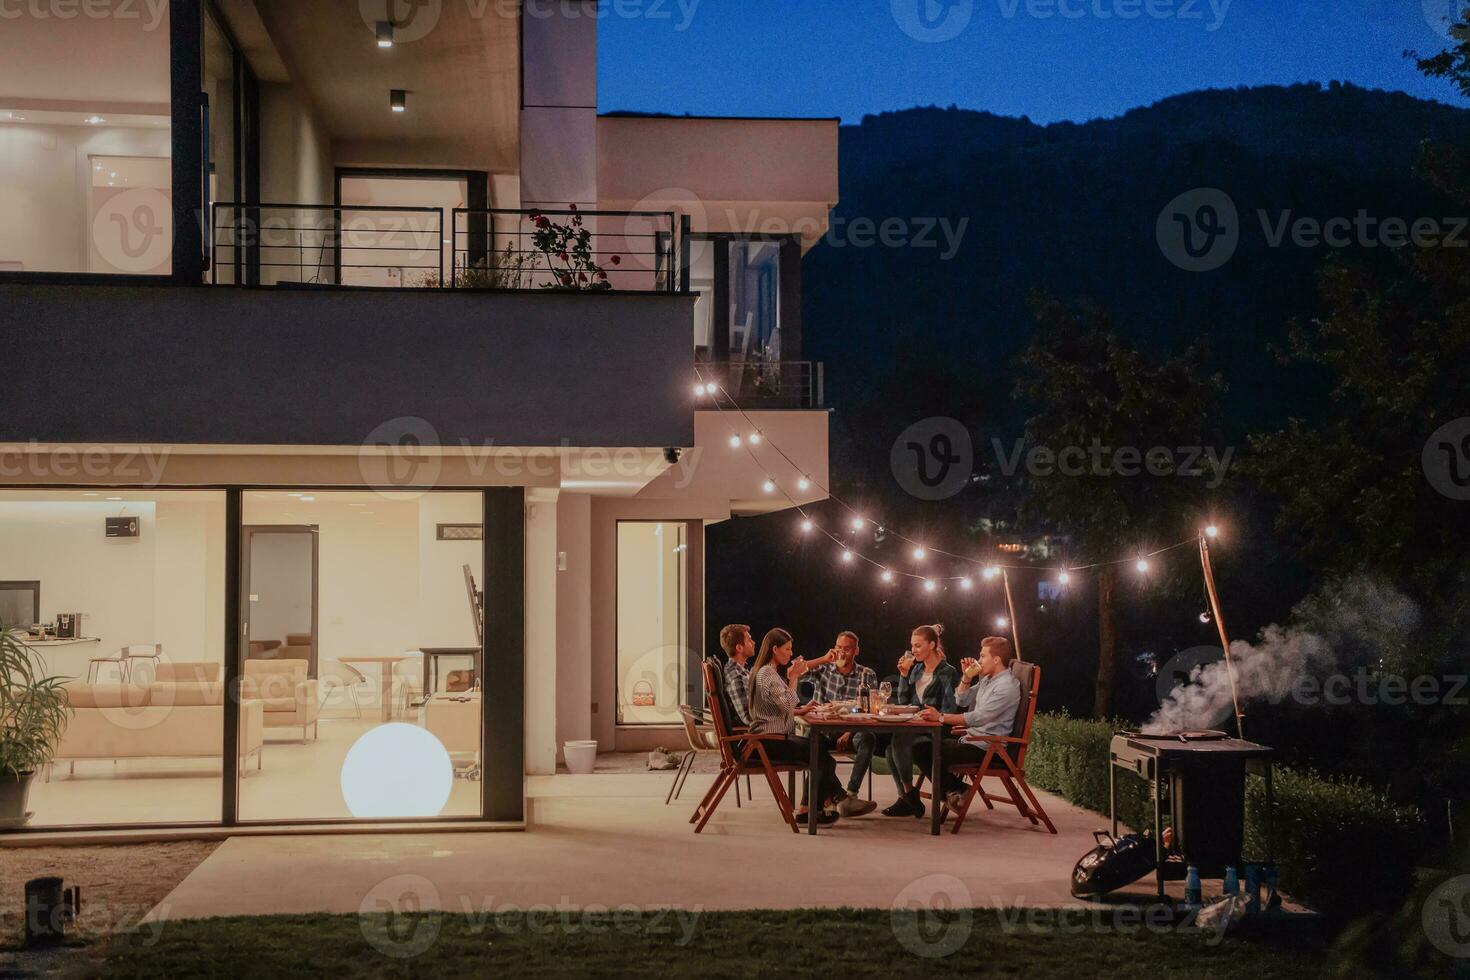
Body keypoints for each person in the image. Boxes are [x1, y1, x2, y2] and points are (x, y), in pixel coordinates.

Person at [747, 627, 852, 824]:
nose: (790, 653)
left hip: (767, 737)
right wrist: (794, 677)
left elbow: (776, 708)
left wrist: (800, 711)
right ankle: (812, 809)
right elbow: (788, 703)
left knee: (819, 748)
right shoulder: (768, 674)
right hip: (770, 742)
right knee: (824, 759)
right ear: (775, 649)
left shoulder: (762, 671)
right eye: (787, 649)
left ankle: (819, 804)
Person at [916, 635, 1023, 812]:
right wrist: (966, 677)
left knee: (925, 750)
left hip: (989, 749)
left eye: (982, 656)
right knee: (921, 746)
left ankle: (957, 791)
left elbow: (978, 717)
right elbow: (962, 700)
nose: (978, 660)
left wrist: (941, 717)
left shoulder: (1006, 686)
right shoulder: (988, 680)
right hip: (971, 741)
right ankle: (955, 792)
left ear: (996, 659)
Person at [881, 624, 961, 818]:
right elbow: (903, 702)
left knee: (898, 741)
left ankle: (908, 797)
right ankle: (907, 797)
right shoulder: (916, 670)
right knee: (890, 750)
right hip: (916, 728)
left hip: (936, 731)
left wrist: (931, 715)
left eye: (918, 646)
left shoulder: (947, 672)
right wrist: (903, 674)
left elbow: (951, 708)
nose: (913, 650)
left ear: (932, 645)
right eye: (912, 646)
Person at [805, 630, 880, 817]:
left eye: (847, 649)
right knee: (811, 742)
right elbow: (794, 671)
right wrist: (823, 659)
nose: (842, 652)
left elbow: (870, 709)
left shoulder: (866, 674)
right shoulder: (823, 669)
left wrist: (850, 731)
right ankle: (832, 798)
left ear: (856, 651)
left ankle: (851, 794)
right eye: (839, 647)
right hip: (823, 729)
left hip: (851, 731)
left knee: (868, 738)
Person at [718, 623, 756, 727]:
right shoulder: (737, 677)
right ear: (739, 648)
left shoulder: (737, 670)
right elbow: (749, 718)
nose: (754, 642)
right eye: (749, 640)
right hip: (757, 737)